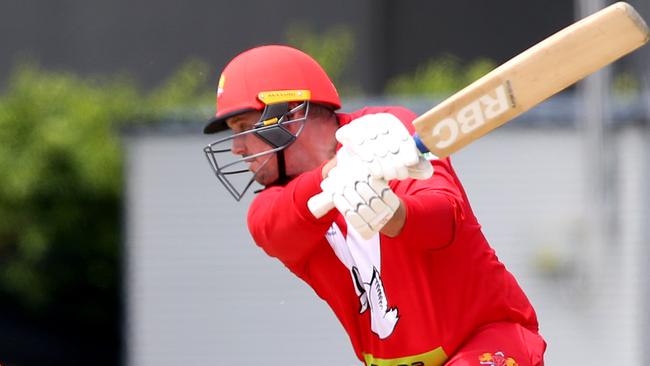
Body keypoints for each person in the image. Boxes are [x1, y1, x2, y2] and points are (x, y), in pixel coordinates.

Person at [203, 45, 546, 366]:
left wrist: (392, 213)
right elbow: (273, 232)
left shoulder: (384, 130)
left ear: (289, 116)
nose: (237, 148)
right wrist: (336, 172)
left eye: (245, 128)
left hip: (488, 342)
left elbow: (445, 220)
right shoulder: (274, 205)